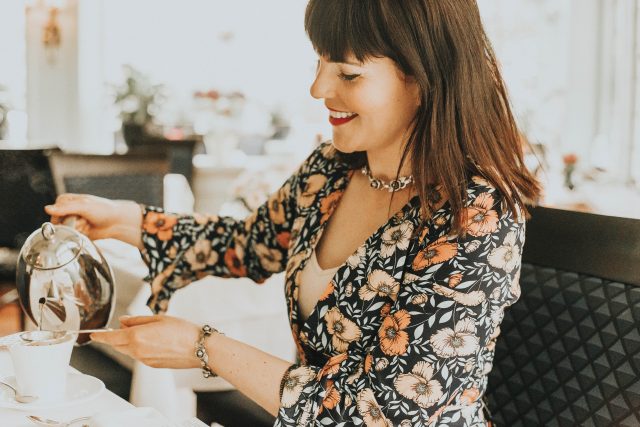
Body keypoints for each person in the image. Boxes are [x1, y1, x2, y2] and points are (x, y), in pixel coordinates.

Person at [46, 1, 541, 425]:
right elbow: (247, 243)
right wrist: (122, 219)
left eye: (348, 73)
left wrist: (204, 347)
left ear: (425, 77)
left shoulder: (478, 213)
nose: (318, 88)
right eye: (321, 62)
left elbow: (386, 411)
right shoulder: (332, 170)